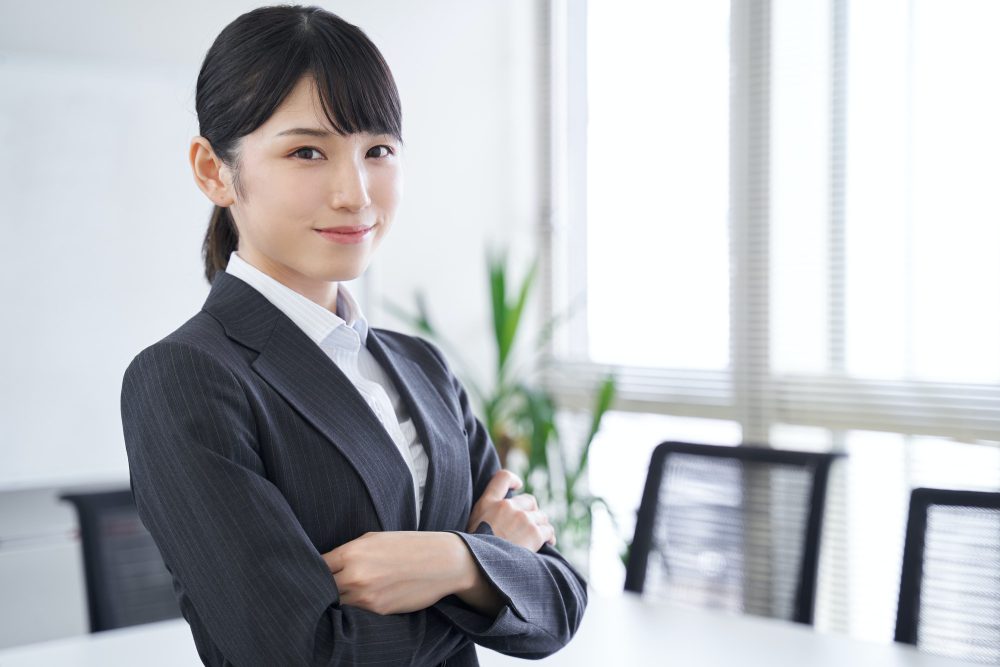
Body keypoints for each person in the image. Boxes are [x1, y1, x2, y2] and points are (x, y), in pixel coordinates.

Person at [119, 5, 587, 666]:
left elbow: (560, 601)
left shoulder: (421, 367)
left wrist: (453, 559)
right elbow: (302, 653)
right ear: (213, 171)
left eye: (378, 151)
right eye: (307, 151)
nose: (356, 192)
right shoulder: (184, 377)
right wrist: (492, 564)